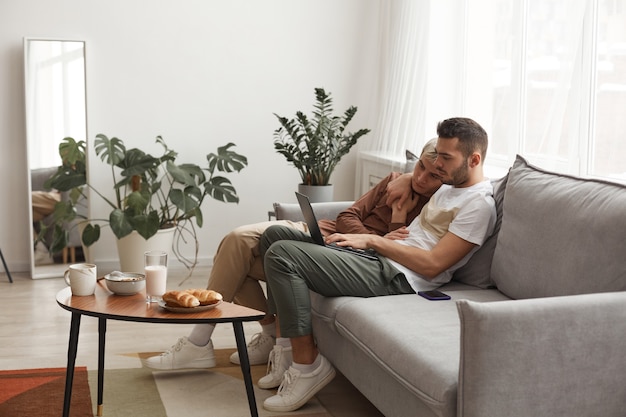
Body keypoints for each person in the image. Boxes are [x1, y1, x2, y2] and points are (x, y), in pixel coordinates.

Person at [258, 117, 497, 412]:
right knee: (274, 235)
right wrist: (407, 178)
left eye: (446, 158)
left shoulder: (479, 205)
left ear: (474, 159)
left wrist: (374, 242)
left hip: (400, 277)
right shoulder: (449, 184)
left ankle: (307, 367)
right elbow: (417, 179)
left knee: (283, 254)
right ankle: (283, 348)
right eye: (437, 156)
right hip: (384, 258)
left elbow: (434, 265)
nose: (437, 165)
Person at [141, 139, 442, 371]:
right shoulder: (394, 180)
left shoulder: (434, 207)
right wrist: (367, 230)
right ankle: (257, 334)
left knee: (239, 252)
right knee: (236, 242)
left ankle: (204, 342)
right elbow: (347, 215)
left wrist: (392, 221)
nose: (421, 178)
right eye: (419, 169)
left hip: (342, 254)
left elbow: (400, 245)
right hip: (320, 233)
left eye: (432, 175)